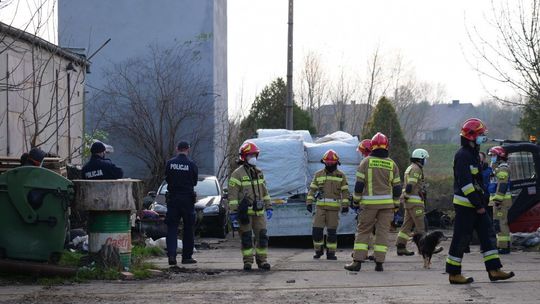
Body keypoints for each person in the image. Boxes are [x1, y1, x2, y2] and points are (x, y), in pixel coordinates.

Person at [446, 118, 514, 284]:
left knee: (488, 235)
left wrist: (481, 202)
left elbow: (478, 181)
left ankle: (494, 269)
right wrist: (478, 205)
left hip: (477, 204)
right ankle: (454, 274)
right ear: (471, 136)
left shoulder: (473, 154)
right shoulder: (462, 155)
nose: (483, 138)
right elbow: (466, 184)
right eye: (481, 135)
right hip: (466, 205)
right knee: (461, 238)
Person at [345, 132, 401, 272]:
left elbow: (359, 185)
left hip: (369, 205)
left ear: (373, 146)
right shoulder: (392, 164)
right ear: (386, 146)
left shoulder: (366, 162)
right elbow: (397, 188)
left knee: (363, 231)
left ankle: (357, 261)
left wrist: (356, 201)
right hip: (387, 206)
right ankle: (379, 263)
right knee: (382, 233)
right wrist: (396, 204)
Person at [228, 142, 273, 271]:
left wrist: (269, 206)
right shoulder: (237, 174)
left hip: (258, 213)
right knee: (246, 238)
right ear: (244, 157)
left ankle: (262, 261)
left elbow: (265, 192)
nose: (253, 157)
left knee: (262, 237)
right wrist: (233, 213)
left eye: (254, 154)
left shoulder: (259, 172)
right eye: (250, 155)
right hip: (245, 214)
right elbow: (233, 196)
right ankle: (247, 262)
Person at [395, 148, 443, 256]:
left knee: (406, 226)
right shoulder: (417, 169)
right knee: (421, 227)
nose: (425, 161)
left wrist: (406, 197)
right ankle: (427, 248)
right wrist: (409, 194)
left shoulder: (410, 167)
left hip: (409, 203)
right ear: (420, 158)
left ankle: (401, 246)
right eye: (424, 158)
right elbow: (411, 184)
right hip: (415, 202)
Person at [306, 149, 350, 260]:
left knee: (332, 233)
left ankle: (331, 253)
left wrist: (345, 205)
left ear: (336, 162)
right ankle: (318, 250)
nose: (329, 164)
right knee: (316, 231)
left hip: (333, 210)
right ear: (324, 162)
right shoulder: (318, 175)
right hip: (320, 208)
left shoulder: (341, 176)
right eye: (327, 162)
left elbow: (345, 192)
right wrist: (309, 202)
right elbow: (312, 190)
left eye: (332, 162)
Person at [164, 141, 198, 265]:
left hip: (173, 199)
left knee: (172, 228)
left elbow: (167, 178)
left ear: (177, 149)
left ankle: (172, 256)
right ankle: (186, 257)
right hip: (187, 200)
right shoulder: (191, 164)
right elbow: (194, 182)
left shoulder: (170, 163)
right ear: (187, 149)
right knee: (188, 228)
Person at [488, 146, 512, 254]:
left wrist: (497, 200)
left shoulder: (503, 168)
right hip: (499, 200)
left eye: (493, 155)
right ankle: (501, 246)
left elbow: (502, 185)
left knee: (501, 223)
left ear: (500, 156)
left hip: (501, 201)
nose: (492, 157)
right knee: (498, 223)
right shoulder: (498, 168)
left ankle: (504, 247)